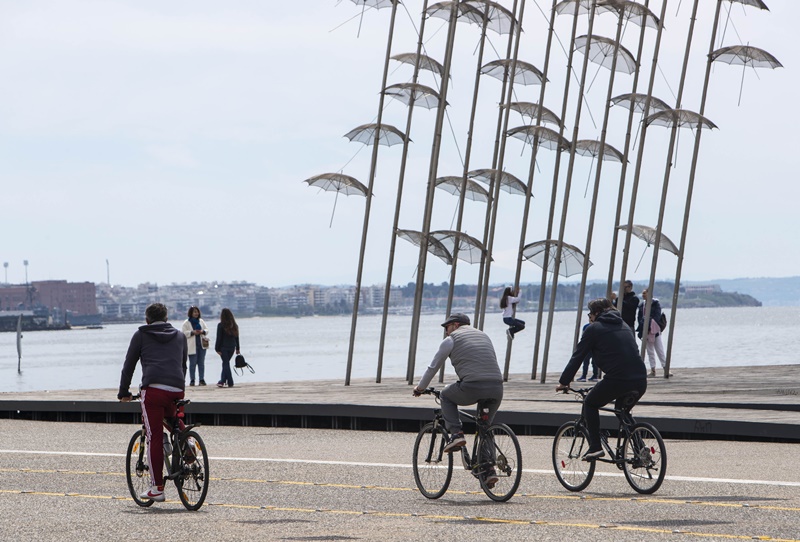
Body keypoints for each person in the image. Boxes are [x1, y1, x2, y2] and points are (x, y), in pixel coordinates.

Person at [412, 313, 504, 476]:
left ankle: (456, 434)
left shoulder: (451, 340)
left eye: (447, 328)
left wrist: (420, 388)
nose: (446, 332)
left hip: (473, 386)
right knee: (485, 427)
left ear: (455, 325)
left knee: (446, 396)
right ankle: (489, 470)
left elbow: (433, 367)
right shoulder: (484, 336)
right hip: (496, 387)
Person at [556, 298, 647, 461]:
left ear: (596, 313)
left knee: (590, 403)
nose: (589, 317)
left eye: (589, 314)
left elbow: (578, 356)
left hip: (618, 379)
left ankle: (595, 447)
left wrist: (564, 381)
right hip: (640, 378)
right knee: (622, 409)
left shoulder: (593, 329)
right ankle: (640, 448)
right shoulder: (624, 325)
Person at [117, 303, 187, 503]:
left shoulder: (141, 334)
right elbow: (183, 366)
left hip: (154, 389)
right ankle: (188, 443)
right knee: (172, 418)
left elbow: (128, 365)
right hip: (176, 387)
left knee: (154, 435)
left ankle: (157, 488)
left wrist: (123, 392)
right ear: (166, 318)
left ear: (147, 320)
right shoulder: (180, 336)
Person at [637, 289, 672, 377]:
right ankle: (653, 369)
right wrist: (643, 326)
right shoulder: (642, 305)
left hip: (654, 330)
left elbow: (657, 316)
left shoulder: (656, 304)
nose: (643, 295)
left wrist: (648, 323)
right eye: (642, 293)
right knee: (650, 351)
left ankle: (666, 368)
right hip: (646, 331)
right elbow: (639, 317)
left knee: (659, 349)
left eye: (644, 293)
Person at [181, 306, 209, 386]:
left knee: (201, 363)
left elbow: (207, 330)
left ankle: (201, 379)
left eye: (197, 312)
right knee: (192, 364)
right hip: (192, 346)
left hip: (201, 345)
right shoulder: (186, 323)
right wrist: (192, 332)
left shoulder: (201, 321)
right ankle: (192, 380)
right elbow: (183, 333)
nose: (196, 313)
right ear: (191, 313)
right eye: (194, 312)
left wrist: (202, 331)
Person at [214, 307, 240, 388]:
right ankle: (222, 381)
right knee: (226, 363)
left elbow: (219, 338)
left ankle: (230, 381)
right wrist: (238, 348)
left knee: (225, 364)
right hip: (232, 347)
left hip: (223, 347)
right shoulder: (234, 325)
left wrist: (216, 348)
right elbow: (237, 337)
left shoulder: (221, 325)